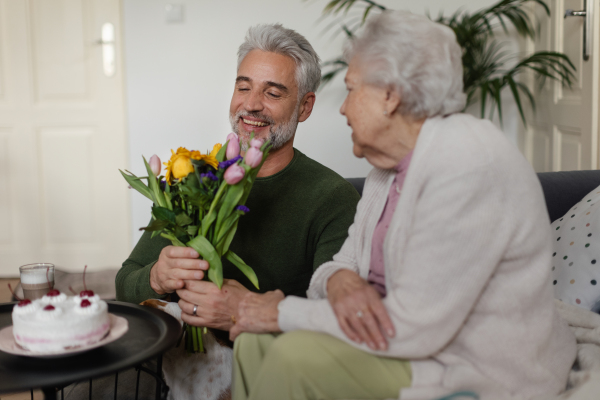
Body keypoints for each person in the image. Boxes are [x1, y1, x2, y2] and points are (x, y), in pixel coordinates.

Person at [229, 11, 577, 400]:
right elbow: (339, 266)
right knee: (251, 342)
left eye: (351, 89)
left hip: (468, 364)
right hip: (400, 343)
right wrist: (341, 281)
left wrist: (281, 312)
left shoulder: (469, 164)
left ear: (389, 96)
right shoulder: (386, 169)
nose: (342, 109)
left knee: (292, 355)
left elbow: (416, 326)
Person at [116, 23, 360, 337]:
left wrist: (244, 312)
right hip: (181, 365)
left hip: (271, 371)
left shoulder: (332, 198)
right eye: (243, 87)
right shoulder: (195, 177)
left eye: (272, 93)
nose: (251, 104)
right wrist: (156, 277)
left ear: (305, 106)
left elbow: (337, 322)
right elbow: (123, 284)